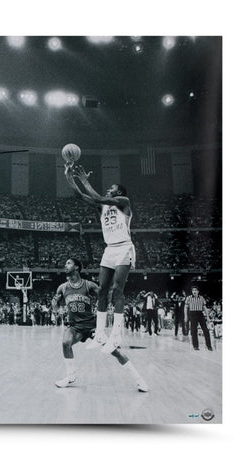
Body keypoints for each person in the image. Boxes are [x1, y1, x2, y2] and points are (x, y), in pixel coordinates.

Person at [64, 163, 135, 353]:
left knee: (117, 290)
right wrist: (70, 178)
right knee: (102, 290)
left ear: (118, 192)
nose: (108, 189)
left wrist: (85, 180)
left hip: (124, 248)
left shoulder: (124, 202)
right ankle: (101, 333)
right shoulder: (102, 207)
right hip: (110, 249)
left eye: (111, 188)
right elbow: (80, 196)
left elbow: (99, 197)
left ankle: (117, 335)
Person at [52, 258, 148, 392]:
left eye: (68, 263)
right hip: (75, 326)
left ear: (77, 268)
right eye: (65, 263)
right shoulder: (62, 288)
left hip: (91, 325)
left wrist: (112, 290)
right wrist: (55, 305)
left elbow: (105, 298)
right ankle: (70, 376)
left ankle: (139, 380)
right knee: (65, 343)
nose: (65, 266)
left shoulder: (88, 285)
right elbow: (56, 309)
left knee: (115, 352)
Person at [185, 286, 213, 351]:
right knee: (194, 330)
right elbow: (185, 308)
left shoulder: (201, 298)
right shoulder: (188, 298)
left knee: (206, 330)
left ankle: (209, 346)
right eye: (193, 290)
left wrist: (208, 317)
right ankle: (195, 346)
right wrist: (186, 316)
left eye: (195, 290)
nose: (194, 291)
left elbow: (205, 308)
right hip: (192, 314)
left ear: (198, 291)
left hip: (200, 313)